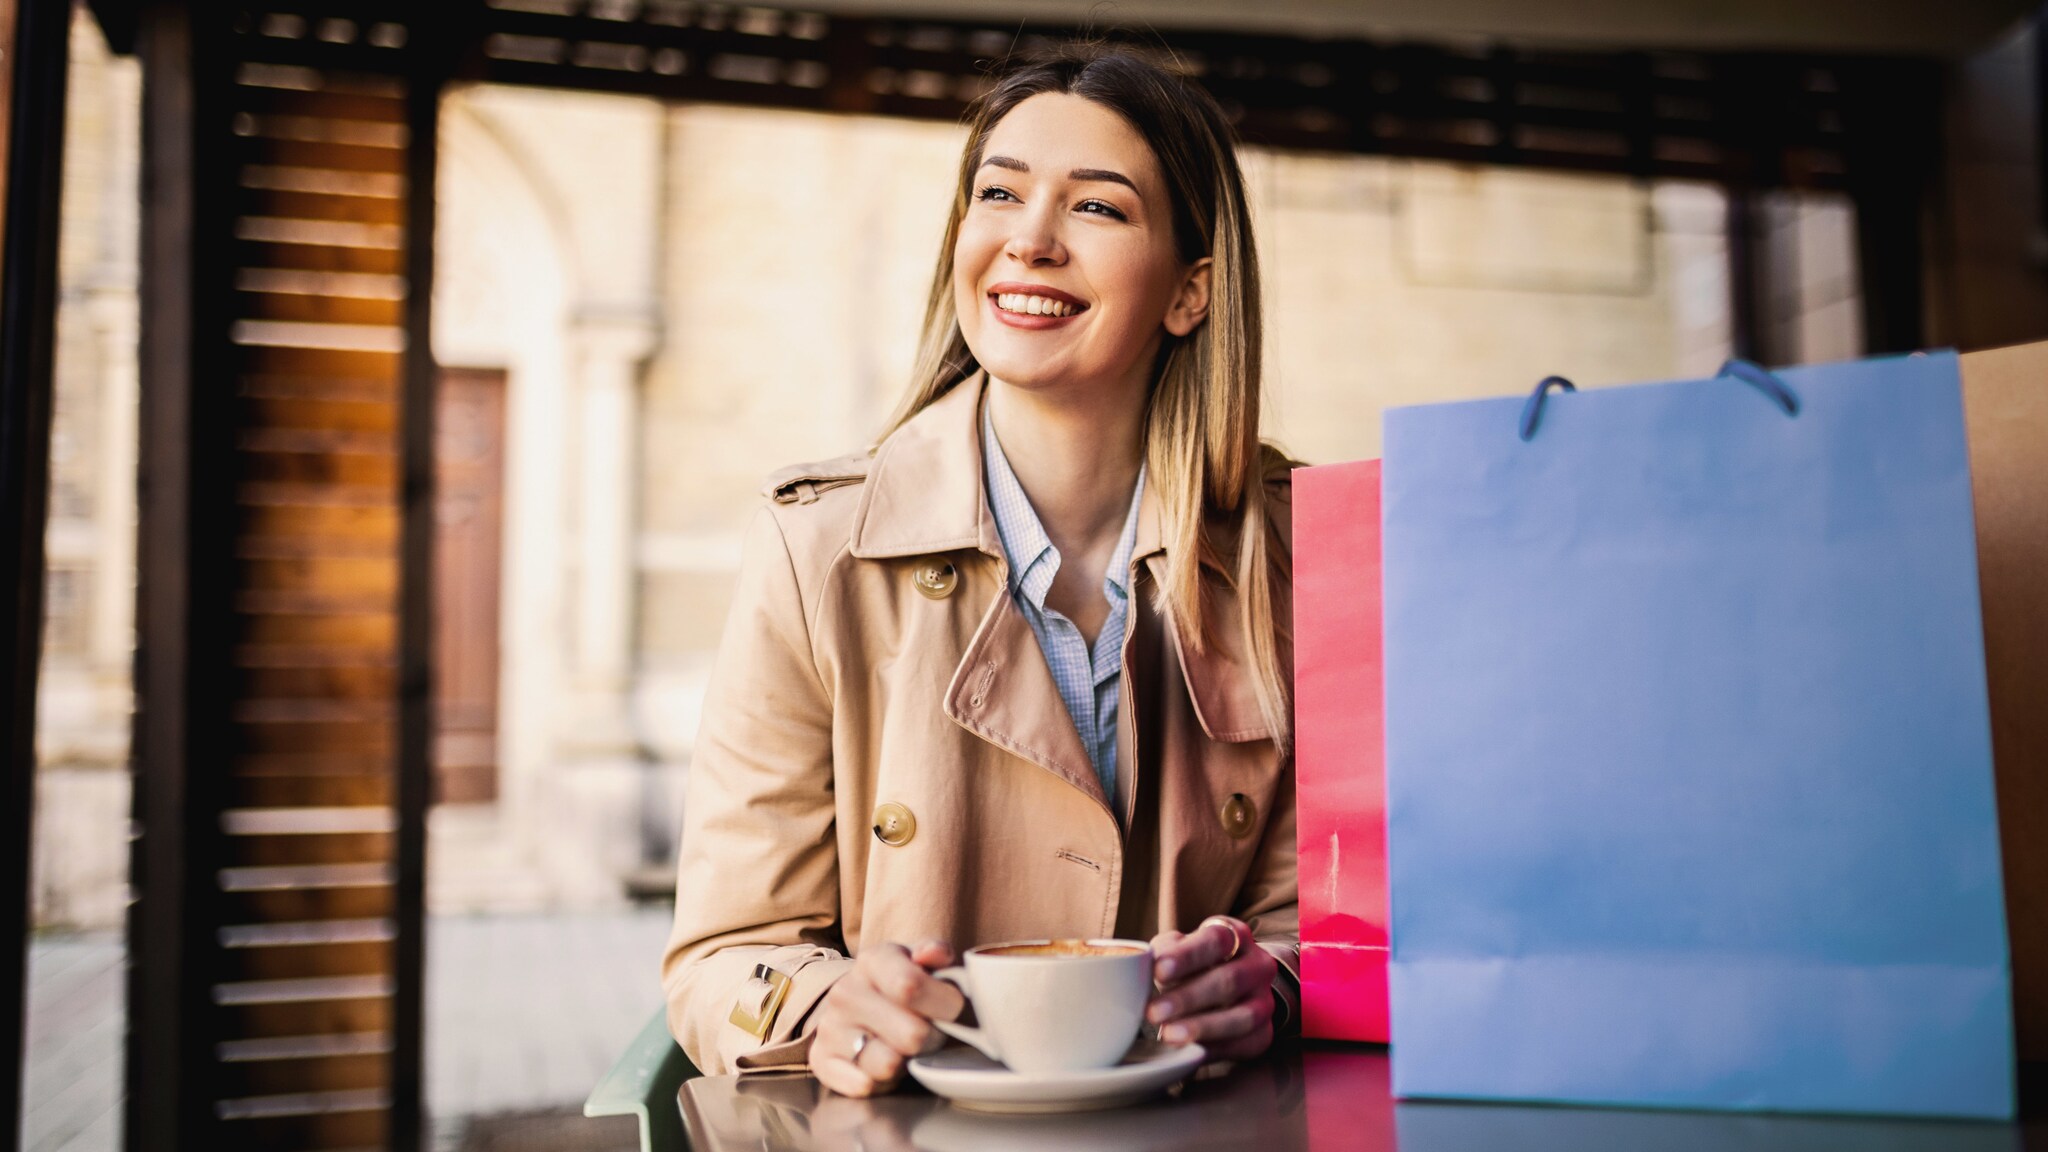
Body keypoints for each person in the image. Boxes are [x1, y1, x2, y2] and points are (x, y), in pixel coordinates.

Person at [661, 44, 1300, 1097]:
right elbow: (724, 955)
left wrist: (1263, 990)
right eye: (997, 193)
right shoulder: (815, 551)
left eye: (1096, 209)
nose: (1028, 241)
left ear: (1189, 292)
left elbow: (1323, 933)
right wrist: (829, 1004)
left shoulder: (1291, 561)